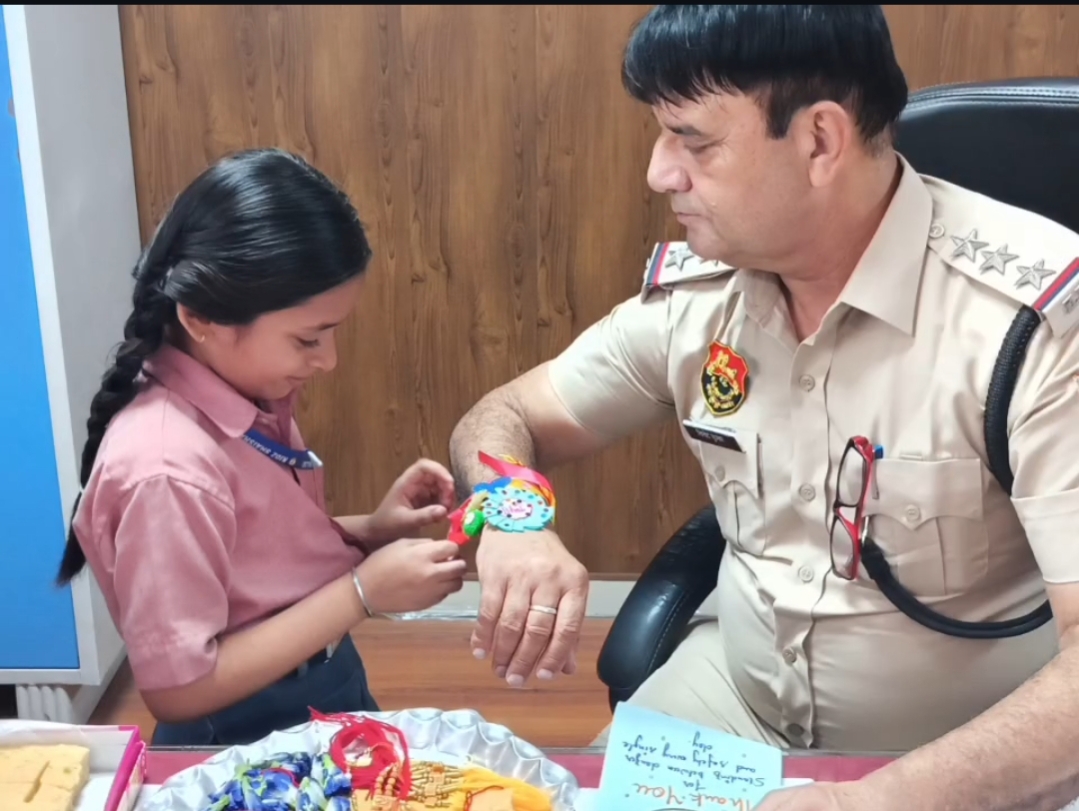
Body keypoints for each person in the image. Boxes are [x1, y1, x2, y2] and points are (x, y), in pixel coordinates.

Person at [449, 5, 1079, 810]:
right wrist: (510, 514)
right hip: (730, 708)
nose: (659, 172)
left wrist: (870, 801)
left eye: (694, 140)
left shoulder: (1033, 320)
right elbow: (507, 414)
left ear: (819, 139)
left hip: (965, 751)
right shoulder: (700, 296)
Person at [57, 148, 467, 746]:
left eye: (332, 332)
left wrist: (371, 530)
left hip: (319, 682)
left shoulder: (245, 393)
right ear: (201, 318)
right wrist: (362, 592)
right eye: (308, 339)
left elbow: (249, 557)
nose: (328, 360)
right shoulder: (165, 468)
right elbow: (179, 688)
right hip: (238, 730)